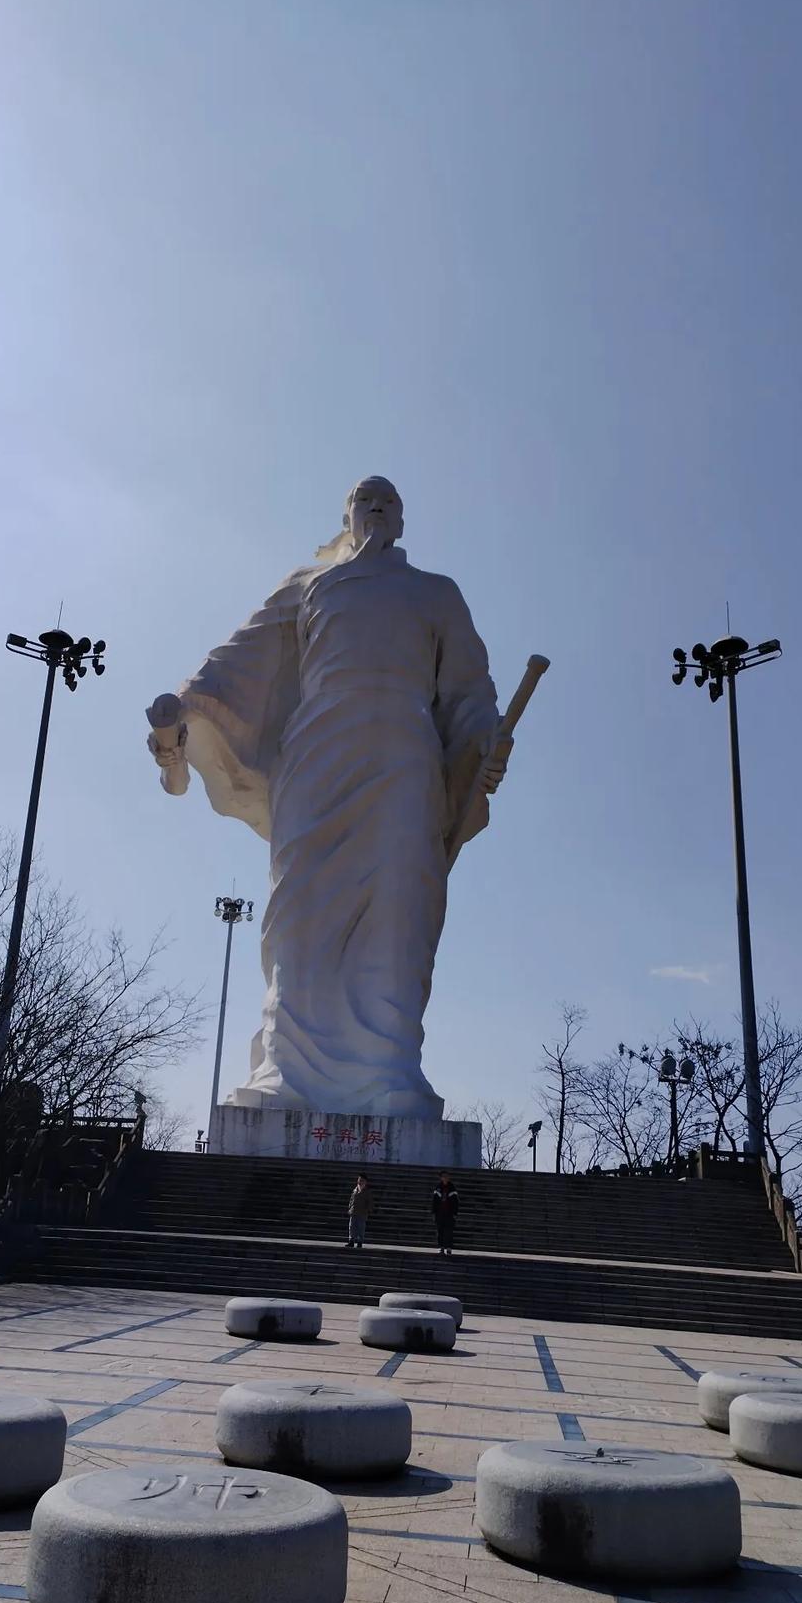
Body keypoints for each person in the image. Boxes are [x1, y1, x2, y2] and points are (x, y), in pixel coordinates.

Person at [147, 477, 508, 1118]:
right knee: (301, 908)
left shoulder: (436, 593)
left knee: (398, 905)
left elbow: (469, 690)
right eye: (364, 498)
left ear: (402, 520)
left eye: (389, 500)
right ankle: (287, 1066)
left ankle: (390, 1065)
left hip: (405, 757)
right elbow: (238, 659)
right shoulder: (309, 584)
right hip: (318, 751)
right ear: (345, 515)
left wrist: (485, 741)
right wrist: (185, 705)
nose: (376, 505)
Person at [431, 1171, 459, 1256]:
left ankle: (449, 1248)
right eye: (443, 1176)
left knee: (449, 1231)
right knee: (440, 1231)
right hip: (440, 1213)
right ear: (441, 1178)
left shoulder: (452, 1187)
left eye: (446, 1176)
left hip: (449, 1213)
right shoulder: (438, 1187)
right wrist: (433, 1212)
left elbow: (456, 1202)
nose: (445, 1178)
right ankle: (441, 1247)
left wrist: (455, 1213)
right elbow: (434, 1201)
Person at [346, 1173, 373, 1248]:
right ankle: (351, 1241)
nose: (360, 1182)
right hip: (353, 1211)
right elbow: (351, 1199)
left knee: (361, 1228)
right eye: (359, 1180)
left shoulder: (367, 1191)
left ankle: (359, 1242)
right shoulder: (355, 1189)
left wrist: (368, 1210)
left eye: (362, 1180)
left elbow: (370, 1202)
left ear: (365, 1182)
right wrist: (349, 1207)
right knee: (351, 1227)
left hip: (362, 1212)